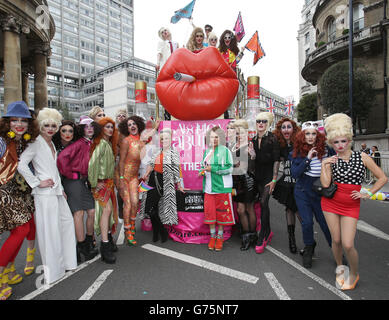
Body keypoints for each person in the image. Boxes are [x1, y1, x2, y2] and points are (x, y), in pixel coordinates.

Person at [321, 113, 388, 290]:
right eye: (336, 142)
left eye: (343, 141)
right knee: (335, 240)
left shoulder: (363, 158)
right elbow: (326, 184)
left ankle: (354, 273)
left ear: (349, 140)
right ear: (331, 143)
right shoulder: (331, 159)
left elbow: (382, 178)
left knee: (348, 244)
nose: (340, 145)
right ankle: (340, 267)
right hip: (330, 203)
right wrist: (324, 165)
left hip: (351, 205)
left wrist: (368, 193)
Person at [18, 107, 77, 285]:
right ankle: (54, 271)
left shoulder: (52, 143)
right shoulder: (35, 143)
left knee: (66, 224)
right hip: (43, 194)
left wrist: (61, 189)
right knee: (49, 232)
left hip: (56, 192)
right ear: (41, 126)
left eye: (53, 125)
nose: (50, 129)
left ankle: (68, 262)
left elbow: (54, 169)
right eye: (46, 126)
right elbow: (21, 164)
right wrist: (37, 182)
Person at [0, 101, 39, 300]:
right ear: (7, 122)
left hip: (22, 192)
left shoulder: (25, 140)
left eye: (23, 120)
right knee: (21, 230)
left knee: (20, 230)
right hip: (4, 190)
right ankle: (1, 277)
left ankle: (8, 272)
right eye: (14, 120)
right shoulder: (2, 141)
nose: (19, 124)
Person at [290, 121, 333, 268]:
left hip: (320, 193)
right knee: (307, 222)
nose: (310, 137)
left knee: (325, 224)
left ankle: (337, 251)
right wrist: (308, 158)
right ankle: (309, 247)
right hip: (303, 192)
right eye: (307, 133)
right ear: (302, 135)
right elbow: (295, 174)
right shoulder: (297, 152)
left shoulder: (327, 150)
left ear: (318, 135)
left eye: (313, 133)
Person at [57, 116, 99, 263]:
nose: (89, 129)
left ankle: (87, 241)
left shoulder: (90, 143)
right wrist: (72, 174)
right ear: (81, 129)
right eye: (86, 127)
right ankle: (81, 246)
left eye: (92, 126)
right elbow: (62, 158)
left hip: (82, 182)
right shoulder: (80, 143)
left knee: (92, 211)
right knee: (79, 213)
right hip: (72, 181)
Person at [141, 128, 185, 242]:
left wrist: (179, 185)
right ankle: (158, 231)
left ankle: (161, 231)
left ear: (170, 140)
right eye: (162, 138)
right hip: (152, 179)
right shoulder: (157, 151)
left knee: (156, 208)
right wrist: (146, 173)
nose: (164, 140)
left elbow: (177, 170)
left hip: (164, 182)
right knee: (150, 208)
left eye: (166, 138)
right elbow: (151, 164)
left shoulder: (173, 153)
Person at [88, 117, 119, 264]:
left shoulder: (107, 144)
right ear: (101, 129)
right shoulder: (100, 144)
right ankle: (105, 245)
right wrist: (94, 183)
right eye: (107, 127)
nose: (110, 129)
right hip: (101, 184)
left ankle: (108, 242)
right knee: (105, 212)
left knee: (108, 212)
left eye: (112, 127)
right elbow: (92, 164)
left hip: (108, 184)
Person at [200, 127, 234, 251]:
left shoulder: (225, 151)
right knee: (210, 214)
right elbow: (202, 166)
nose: (213, 139)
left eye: (216, 137)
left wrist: (213, 169)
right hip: (209, 189)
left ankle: (220, 237)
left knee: (221, 215)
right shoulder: (206, 152)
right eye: (212, 137)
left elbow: (230, 169)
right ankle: (212, 237)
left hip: (222, 188)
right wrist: (202, 172)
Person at [250, 112, 280, 254]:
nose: (260, 123)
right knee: (262, 204)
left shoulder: (272, 139)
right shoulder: (253, 140)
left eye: (263, 121)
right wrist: (253, 155)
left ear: (267, 124)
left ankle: (263, 235)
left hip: (269, 176)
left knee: (263, 202)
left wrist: (274, 179)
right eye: (258, 121)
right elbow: (254, 161)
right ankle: (267, 231)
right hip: (258, 176)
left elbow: (276, 160)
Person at [272, 118, 301, 254]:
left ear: (293, 129)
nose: (286, 129)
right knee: (289, 209)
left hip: (299, 182)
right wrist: (273, 179)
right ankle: (292, 240)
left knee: (300, 212)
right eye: (283, 127)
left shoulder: (300, 144)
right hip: (286, 183)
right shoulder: (280, 145)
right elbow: (276, 162)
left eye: (289, 127)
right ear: (280, 130)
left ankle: (309, 242)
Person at [118, 116, 146, 246]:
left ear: (138, 125)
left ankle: (132, 224)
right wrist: (122, 178)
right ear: (127, 128)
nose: (132, 126)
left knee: (135, 202)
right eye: (129, 125)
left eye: (134, 124)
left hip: (134, 177)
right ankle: (127, 231)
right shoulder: (126, 141)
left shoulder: (142, 142)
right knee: (128, 204)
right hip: (123, 176)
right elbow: (122, 161)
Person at [230, 120, 257, 251]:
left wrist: (230, 166)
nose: (239, 135)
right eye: (237, 132)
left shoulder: (249, 145)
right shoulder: (234, 145)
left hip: (247, 181)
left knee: (248, 209)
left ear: (246, 132)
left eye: (242, 132)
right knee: (240, 209)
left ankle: (251, 235)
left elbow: (244, 166)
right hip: (236, 181)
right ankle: (247, 235)